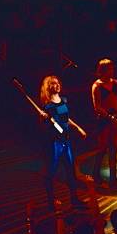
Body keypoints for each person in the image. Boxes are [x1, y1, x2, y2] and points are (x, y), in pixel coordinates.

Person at [39, 75, 87, 209]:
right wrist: (43, 119)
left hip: (66, 140)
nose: (57, 85)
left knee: (70, 171)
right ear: (49, 87)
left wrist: (78, 128)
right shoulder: (47, 106)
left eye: (58, 82)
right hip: (54, 142)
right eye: (53, 84)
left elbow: (66, 119)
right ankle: (50, 201)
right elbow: (46, 126)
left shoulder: (63, 100)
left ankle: (74, 200)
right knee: (51, 172)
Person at [91, 58, 117, 190]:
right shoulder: (97, 86)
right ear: (102, 70)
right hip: (104, 119)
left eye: (112, 68)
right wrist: (111, 118)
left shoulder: (115, 83)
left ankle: (113, 180)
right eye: (109, 69)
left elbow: (116, 100)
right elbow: (97, 107)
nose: (112, 71)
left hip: (115, 117)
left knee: (114, 149)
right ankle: (96, 175)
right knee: (102, 147)